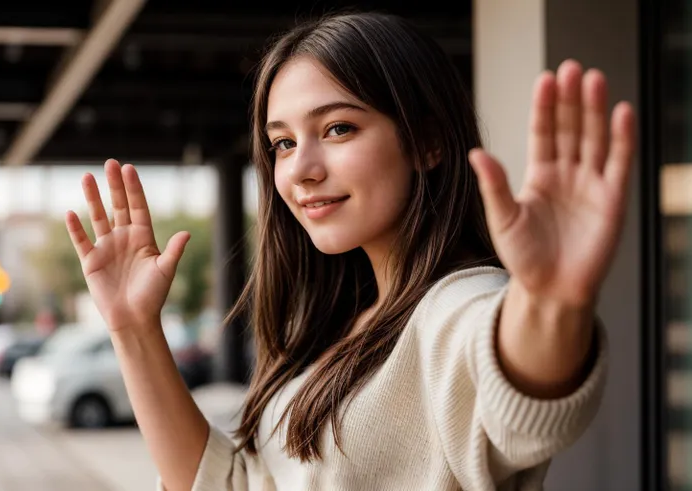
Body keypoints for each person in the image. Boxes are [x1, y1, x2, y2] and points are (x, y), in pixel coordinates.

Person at [65, 12, 634, 491]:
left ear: (428, 141)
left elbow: (519, 394)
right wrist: (135, 329)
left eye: (338, 129)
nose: (302, 170)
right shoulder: (337, 325)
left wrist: (552, 301)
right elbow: (233, 483)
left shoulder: (455, 307)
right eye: (283, 143)